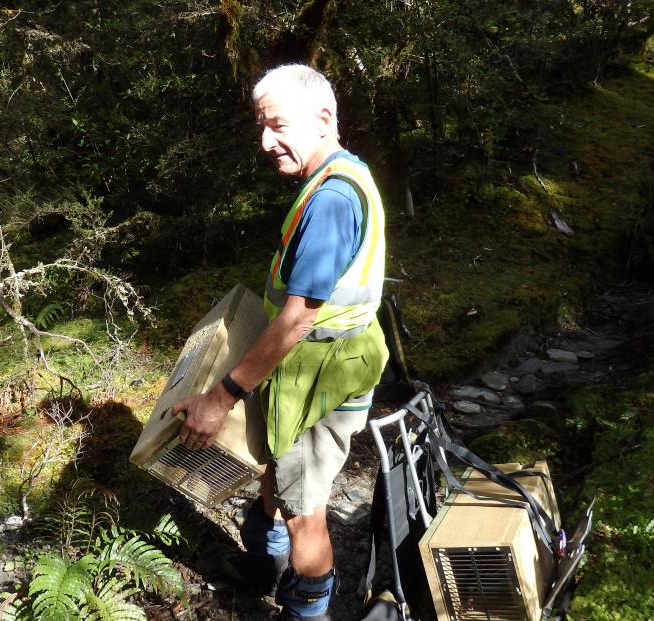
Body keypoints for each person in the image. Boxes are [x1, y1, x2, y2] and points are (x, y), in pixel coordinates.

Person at [172, 63, 388, 620]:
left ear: (322, 118)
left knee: (303, 510)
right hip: (311, 371)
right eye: (261, 127)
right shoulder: (339, 175)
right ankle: (265, 567)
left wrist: (219, 400)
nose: (266, 142)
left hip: (320, 377)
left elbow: (295, 320)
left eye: (277, 126)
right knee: (278, 479)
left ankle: (307, 610)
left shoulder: (333, 200)